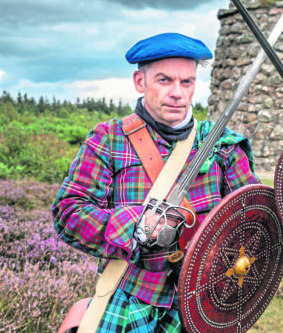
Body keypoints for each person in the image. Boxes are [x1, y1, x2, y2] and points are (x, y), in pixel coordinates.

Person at [51, 32, 260, 332]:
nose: (177, 92)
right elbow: (68, 212)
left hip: (204, 299)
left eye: (186, 82)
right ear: (140, 82)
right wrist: (134, 225)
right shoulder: (108, 140)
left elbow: (253, 217)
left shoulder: (222, 145)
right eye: (164, 80)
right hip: (131, 295)